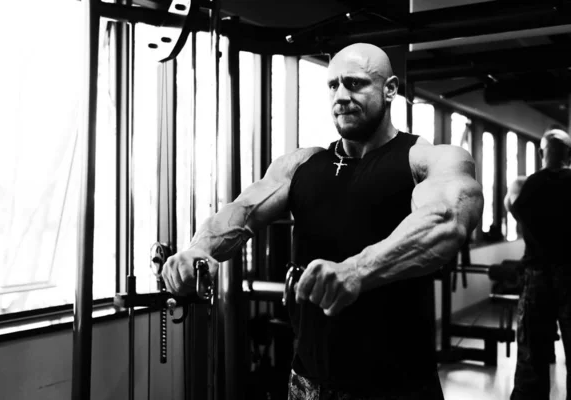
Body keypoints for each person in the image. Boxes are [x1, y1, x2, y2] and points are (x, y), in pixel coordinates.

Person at [162, 42, 483, 399]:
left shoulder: (428, 159)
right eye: (333, 85)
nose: (341, 96)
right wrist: (198, 250)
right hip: (308, 381)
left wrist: (357, 270)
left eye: (356, 83)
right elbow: (243, 210)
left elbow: (447, 219)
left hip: (397, 385)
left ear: (390, 89)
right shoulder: (301, 165)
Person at [505, 128, 571, 400]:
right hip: (570, 276)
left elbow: (514, 209)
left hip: (538, 277)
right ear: (569, 154)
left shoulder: (530, 184)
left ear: (543, 153)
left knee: (532, 359)